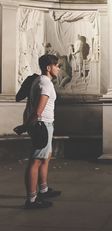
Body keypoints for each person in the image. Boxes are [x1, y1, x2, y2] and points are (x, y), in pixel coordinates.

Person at [24, 54, 61, 209]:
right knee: (36, 161)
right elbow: (39, 109)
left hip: (44, 124)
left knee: (45, 158)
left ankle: (43, 190)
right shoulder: (45, 84)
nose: (59, 69)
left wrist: (26, 123)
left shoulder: (39, 81)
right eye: (57, 66)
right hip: (42, 125)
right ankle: (32, 200)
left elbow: (28, 106)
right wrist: (27, 125)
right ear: (48, 67)